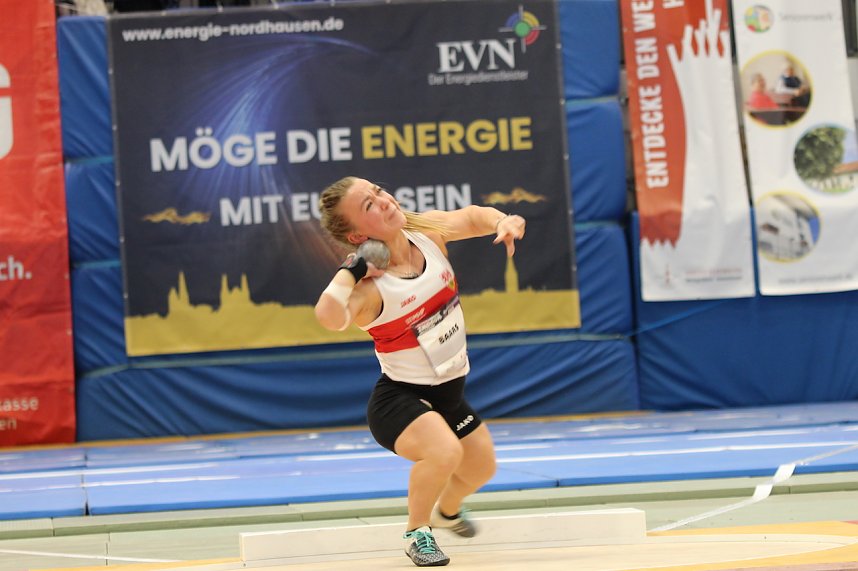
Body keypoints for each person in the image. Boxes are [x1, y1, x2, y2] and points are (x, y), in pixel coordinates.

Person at [314, 176, 525, 567]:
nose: (383, 200)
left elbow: (474, 217)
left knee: (481, 468)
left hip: (449, 393)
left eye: (377, 191)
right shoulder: (370, 289)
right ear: (358, 236)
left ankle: (446, 513)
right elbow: (327, 316)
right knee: (444, 453)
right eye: (368, 206)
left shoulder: (427, 234)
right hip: (400, 400)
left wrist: (503, 221)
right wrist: (351, 271)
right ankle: (417, 532)